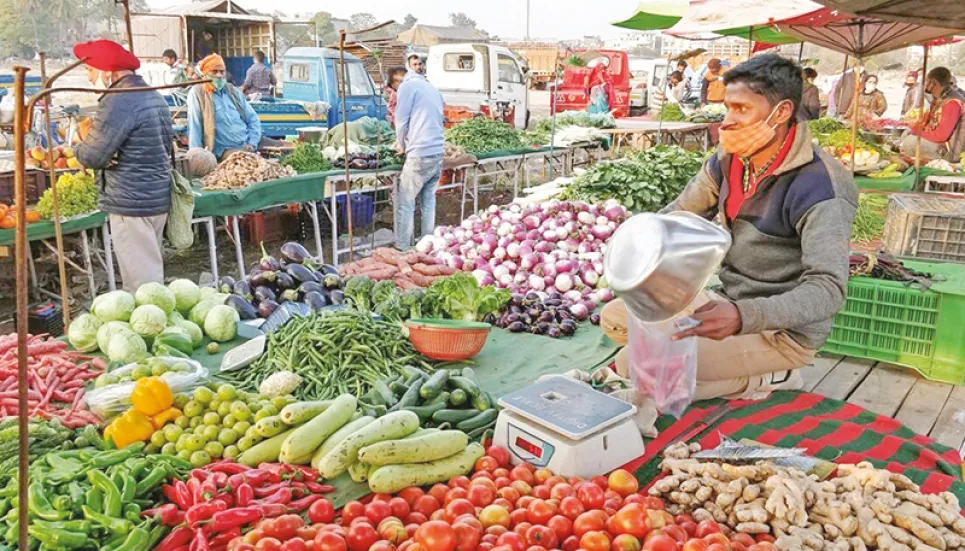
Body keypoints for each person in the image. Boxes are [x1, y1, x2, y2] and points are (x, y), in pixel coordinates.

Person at [601, 54, 857, 401]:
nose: (728, 122)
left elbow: (829, 290)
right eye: (727, 108)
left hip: (780, 331)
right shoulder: (729, 160)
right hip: (727, 301)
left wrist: (742, 316)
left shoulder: (821, 186)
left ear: (780, 113)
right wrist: (637, 250)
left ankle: (777, 375)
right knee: (615, 317)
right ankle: (707, 366)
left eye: (741, 109)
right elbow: (677, 216)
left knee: (635, 364)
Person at [73, 40, 174, 292]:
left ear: (108, 72)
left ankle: (153, 328)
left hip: (131, 202)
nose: (89, 77)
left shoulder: (118, 100)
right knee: (150, 270)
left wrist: (78, 144)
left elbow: (91, 155)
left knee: (143, 284)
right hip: (156, 197)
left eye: (90, 70)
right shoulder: (153, 96)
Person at [394, 62, 444, 250]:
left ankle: (403, 248)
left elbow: (401, 121)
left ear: (397, 80)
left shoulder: (407, 86)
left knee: (406, 203)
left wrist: (403, 144)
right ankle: (427, 245)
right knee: (428, 201)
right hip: (437, 151)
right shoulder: (431, 87)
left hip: (420, 153)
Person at [187, 53, 262, 161]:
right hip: (223, 151)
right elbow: (195, 127)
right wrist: (196, 158)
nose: (219, 75)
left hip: (246, 146)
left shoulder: (232, 91)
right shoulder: (198, 93)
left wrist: (252, 143)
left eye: (222, 71)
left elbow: (253, 119)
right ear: (205, 74)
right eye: (214, 71)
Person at [900, 67, 965, 162]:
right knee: (907, 133)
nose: (925, 85)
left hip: (950, 151)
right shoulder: (941, 98)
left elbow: (941, 136)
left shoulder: (953, 102)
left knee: (910, 142)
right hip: (941, 143)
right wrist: (916, 128)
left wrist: (917, 132)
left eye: (927, 82)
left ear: (934, 83)